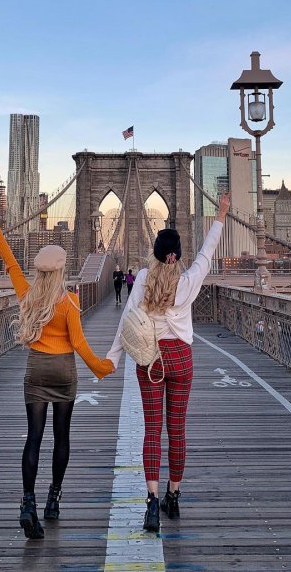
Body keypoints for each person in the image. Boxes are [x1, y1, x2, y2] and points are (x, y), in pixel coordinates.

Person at [0, 208, 114, 539]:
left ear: (39, 271)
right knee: (62, 437)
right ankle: (54, 499)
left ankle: (28, 503)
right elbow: (79, 344)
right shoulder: (68, 302)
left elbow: (11, 264)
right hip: (63, 371)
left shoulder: (28, 295)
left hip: (36, 369)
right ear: (62, 269)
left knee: (34, 438)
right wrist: (102, 367)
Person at [106, 193, 229, 532]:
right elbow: (207, 252)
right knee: (177, 431)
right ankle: (174, 497)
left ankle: (151, 505)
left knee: (152, 432)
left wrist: (112, 358)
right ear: (178, 255)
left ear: (157, 253)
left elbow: (127, 320)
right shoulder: (188, 281)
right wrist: (220, 215)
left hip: (151, 362)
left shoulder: (143, 278)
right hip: (182, 361)